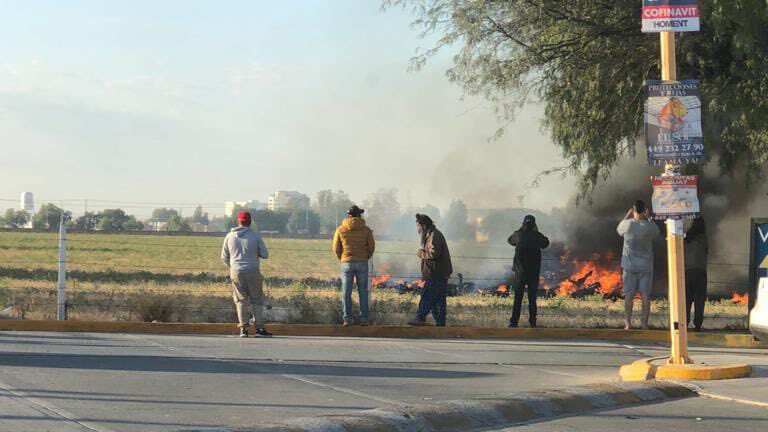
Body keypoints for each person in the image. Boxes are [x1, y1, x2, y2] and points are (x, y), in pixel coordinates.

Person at [221, 211, 271, 338]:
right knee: (256, 300)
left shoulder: (229, 236)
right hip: (253, 270)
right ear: (250, 222)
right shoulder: (255, 236)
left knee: (240, 300)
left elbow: (224, 257)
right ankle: (259, 329)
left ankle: (243, 329)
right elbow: (265, 254)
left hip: (236, 271)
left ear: (238, 221)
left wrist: (233, 266)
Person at [617, 200, 660, 330]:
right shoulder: (649, 226)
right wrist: (649, 218)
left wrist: (627, 215)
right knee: (645, 296)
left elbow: (618, 229)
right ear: (644, 211)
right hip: (645, 267)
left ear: (634, 211)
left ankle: (628, 323)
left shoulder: (628, 224)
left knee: (629, 296)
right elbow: (657, 232)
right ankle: (644, 324)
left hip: (629, 267)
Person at [332, 205, 375, 326]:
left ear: (348, 215)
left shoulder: (340, 229)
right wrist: (365, 257)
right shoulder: (366, 230)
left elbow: (336, 248)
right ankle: (364, 319)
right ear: (359, 215)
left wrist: (343, 258)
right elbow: (371, 247)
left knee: (346, 292)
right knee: (363, 292)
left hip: (347, 263)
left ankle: (347, 318)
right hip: (362, 262)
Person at [409, 214, 453, 327]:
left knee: (427, 295)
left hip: (436, 273)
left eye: (418, 226)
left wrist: (421, 253)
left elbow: (433, 253)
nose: (417, 229)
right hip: (436, 272)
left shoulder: (434, 235)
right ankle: (440, 324)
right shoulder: (429, 234)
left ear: (423, 225)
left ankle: (420, 317)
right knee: (438, 301)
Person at [507, 215, 550, 328]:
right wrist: (536, 232)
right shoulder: (537, 236)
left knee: (518, 298)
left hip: (520, 272)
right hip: (533, 273)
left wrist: (521, 230)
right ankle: (532, 322)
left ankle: (513, 322)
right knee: (532, 299)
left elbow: (510, 240)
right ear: (534, 224)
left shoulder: (518, 234)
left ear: (523, 224)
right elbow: (546, 243)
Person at [685, 217, 708, 331]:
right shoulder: (704, 239)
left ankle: (684, 322)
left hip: (687, 272)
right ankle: (697, 324)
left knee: (686, 299)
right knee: (699, 300)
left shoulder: (686, 238)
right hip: (700, 272)